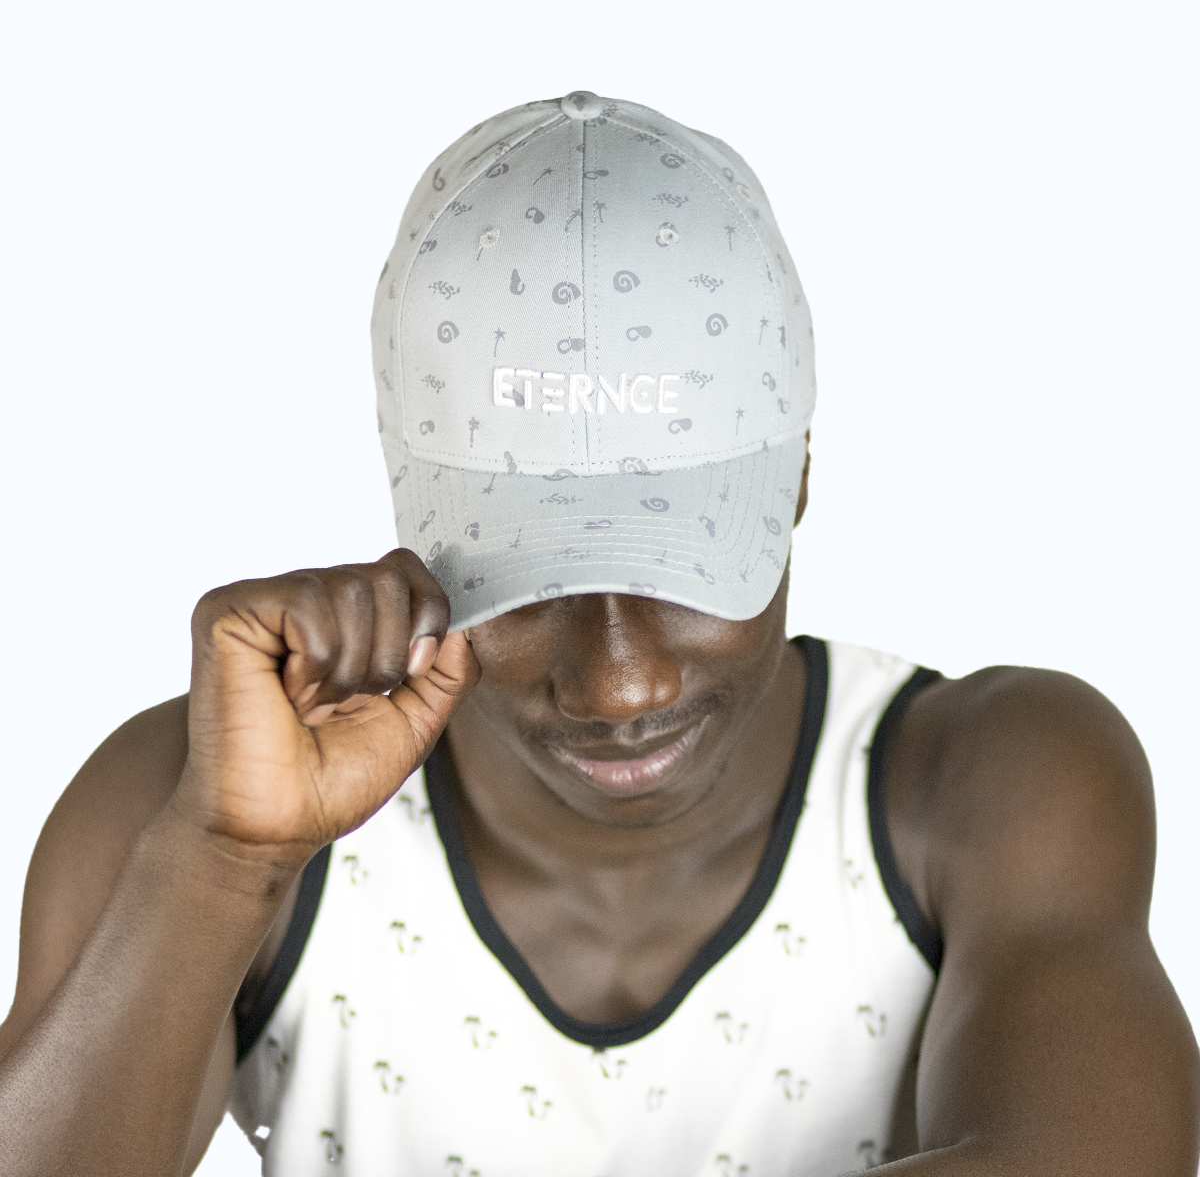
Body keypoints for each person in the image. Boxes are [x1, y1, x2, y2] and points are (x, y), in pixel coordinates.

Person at [0, 91, 1195, 1177]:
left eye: (681, 564)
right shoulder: (192, 796)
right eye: (530, 578)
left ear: (796, 480)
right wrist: (226, 862)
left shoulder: (992, 780)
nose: (620, 684)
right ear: (415, 520)